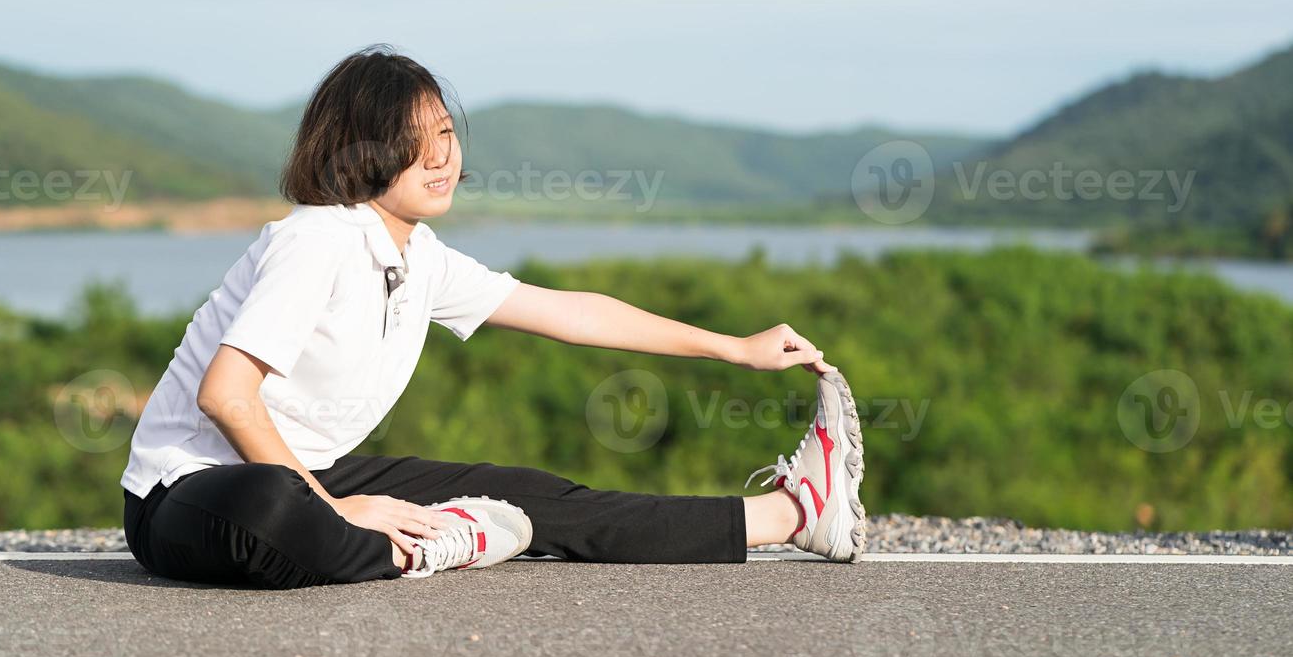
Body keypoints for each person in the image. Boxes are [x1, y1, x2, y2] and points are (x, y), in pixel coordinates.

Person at [120, 45, 865, 589]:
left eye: (445, 133)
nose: (441, 157)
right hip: (189, 492)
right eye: (415, 142)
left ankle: (792, 516)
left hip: (314, 475)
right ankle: (414, 548)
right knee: (273, 507)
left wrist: (734, 348)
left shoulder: (420, 258)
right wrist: (341, 509)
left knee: (526, 493)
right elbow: (226, 397)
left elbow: (572, 315)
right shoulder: (318, 238)